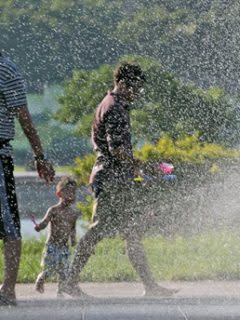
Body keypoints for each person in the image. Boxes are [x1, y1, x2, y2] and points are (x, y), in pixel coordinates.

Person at [60, 62, 176, 299]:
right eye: (136, 89)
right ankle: (69, 283)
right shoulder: (114, 107)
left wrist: (136, 169)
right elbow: (117, 150)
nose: (137, 94)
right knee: (98, 230)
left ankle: (150, 286)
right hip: (111, 179)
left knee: (132, 232)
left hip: (117, 178)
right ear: (123, 83)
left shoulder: (112, 104)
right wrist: (141, 167)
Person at [0, 50, 55, 306]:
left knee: (9, 224)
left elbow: (24, 116)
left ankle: (8, 290)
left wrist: (40, 157)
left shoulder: (6, 69)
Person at [34, 176, 80, 294]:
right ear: (59, 194)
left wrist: (73, 240)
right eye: (68, 192)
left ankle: (60, 291)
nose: (71, 195)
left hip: (64, 246)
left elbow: (72, 228)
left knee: (63, 271)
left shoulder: (73, 213)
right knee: (49, 269)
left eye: (73, 192)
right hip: (52, 246)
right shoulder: (53, 210)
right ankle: (41, 279)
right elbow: (45, 222)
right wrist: (39, 226)